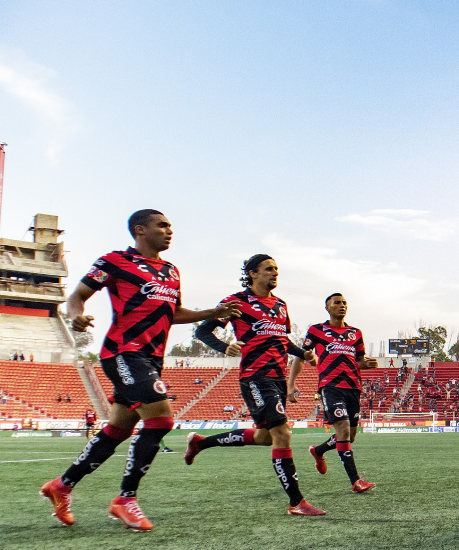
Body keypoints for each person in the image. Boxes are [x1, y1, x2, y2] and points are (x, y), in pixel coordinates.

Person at [40, 209, 240, 530]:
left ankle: (61, 486)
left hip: (152, 358)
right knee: (161, 420)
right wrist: (76, 316)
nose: (169, 230)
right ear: (140, 229)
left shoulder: (171, 271)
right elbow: (77, 295)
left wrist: (211, 312)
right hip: (124, 351)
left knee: (118, 429)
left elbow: (172, 312)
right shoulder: (114, 261)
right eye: (162, 225)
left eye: (170, 226)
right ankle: (125, 499)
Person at [186, 254, 325, 516]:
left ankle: (200, 443)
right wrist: (224, 346)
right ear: (252, 273)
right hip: (255, 376)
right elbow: (202, 331)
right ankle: (296, 502)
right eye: (269, 269)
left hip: (278, 377)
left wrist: (303, 353)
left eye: (276, 269)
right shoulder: (236, 301)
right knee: (282, 433)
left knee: (264, 437)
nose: (275, 273)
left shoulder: (280, 305)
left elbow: (281, 340)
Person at [287, 292, 378, 494]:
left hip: (353, 387)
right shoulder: (317, 330)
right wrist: (291, 384)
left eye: (344, 302)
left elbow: (360, 361)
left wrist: (368, 364)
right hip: (330, 386)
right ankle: (356, 481)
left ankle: (318, 450)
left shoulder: (355, 333)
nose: (342, 305)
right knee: (343, 430)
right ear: (327, 307)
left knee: (349, 437)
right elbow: (301, 356)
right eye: (337, 302)